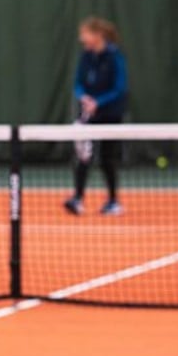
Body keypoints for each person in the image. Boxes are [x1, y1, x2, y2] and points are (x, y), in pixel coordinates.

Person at [64, 16, 127, 217]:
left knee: (107, 158)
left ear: (97, 35)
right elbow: (78, 83)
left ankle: (113, 201)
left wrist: (98, 102)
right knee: (84, 157)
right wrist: (84, 97)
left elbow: (120, 88)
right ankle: (77, 199)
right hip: (89, 115)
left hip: (111, 115)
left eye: (85, 34)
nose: (82, 38)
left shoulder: (114, 56)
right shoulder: (86, 56)